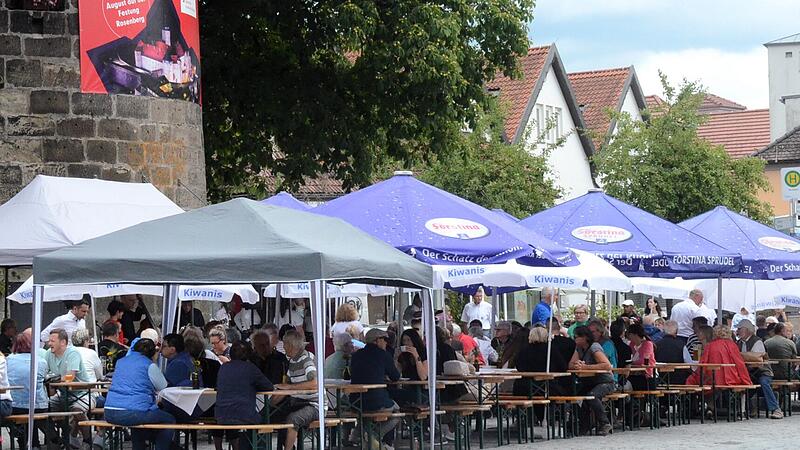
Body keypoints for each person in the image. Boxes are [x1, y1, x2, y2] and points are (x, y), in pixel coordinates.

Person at [105, 337, 175, 450]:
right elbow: (163, 386)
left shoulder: (121, 362)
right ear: (152, 353)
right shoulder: (149, 365)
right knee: (169, 419)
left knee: (137, 422)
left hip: (109, 411)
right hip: (134, 412)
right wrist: (155, 361)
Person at [214, 341, 274, 450]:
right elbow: (269, 386)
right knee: (263, 419)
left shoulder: (223, 368)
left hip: (221, 415)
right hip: (244, 415)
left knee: (233, 417)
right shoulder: (250, 368)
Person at [272, 329, 323, 450]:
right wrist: (272, 402)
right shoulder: (293, 361)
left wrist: (289, 387)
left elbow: (315, 383)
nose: (283, 347)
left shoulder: (306, 360)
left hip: (314, 405)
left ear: (290, 345)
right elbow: (286, 385)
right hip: (299, 403)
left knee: (293, 419)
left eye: (284, 344)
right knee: (277, 415)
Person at [350, 328, 401, 448]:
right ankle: (374, 436)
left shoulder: (356, 355)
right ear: (377, 341)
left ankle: (359, 434)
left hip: (355, 401)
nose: (386, 343)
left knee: (365, 414)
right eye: (384, 340)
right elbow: (396, 377)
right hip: (376, 400)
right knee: (397, 412)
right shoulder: (383, 354)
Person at [8, 332, 53, 449]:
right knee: (37, 408)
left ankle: (28, 442)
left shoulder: (8, 360)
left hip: (15, 406)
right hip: (38, 405)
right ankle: (47, 441)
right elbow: (44, 379)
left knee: (24, 413)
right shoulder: (41, 361)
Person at [569, 326, 614, 436]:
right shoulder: (578, 348)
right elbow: (570, 364)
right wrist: (576, 365)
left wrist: (586, 367)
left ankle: (605, 423)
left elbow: (606, 365)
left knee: (592, 396)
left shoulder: (594, 347)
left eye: (576, 337)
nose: (574, 339)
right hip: (589, 382)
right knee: (576, 398)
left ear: (584, 337)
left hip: (605, 382)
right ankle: (585, 424)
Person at [735, 319, 782, 419]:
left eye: (740, 329)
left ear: (748, 330)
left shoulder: (757, 341)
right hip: (748, 372)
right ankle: (743, 410)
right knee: (739, 383)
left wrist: (741, 355)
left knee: (764, 382)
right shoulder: (738, 342)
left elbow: (757, 360)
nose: (738, 331)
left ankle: (776, 409)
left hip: (763, 371)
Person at [687, 325, 751, 387]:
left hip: (712, 379)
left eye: (699, 332)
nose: (696, 334)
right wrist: (746, 380)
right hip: (730, 378)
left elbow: (701, 364)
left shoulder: (709, 346)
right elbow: (739, 364)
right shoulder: (732, 345)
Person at [514, 327, 567, 396]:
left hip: (524, 388)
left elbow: (519, 367)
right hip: (547, 387)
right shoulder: (550, 349)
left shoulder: (524, 350)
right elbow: (563, 366)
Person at [626, 323, 656, 390]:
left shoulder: (648, 344)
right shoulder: (631, 344)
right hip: (633, 374)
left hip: (646, 376)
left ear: (635, 334)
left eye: (629, 334)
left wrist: (630, 363)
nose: (628, 337)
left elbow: (642, 361)